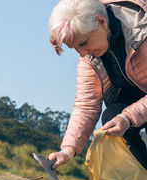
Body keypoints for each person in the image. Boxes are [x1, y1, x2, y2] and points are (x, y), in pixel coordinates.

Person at [48, 0, 147, 170]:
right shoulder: (89, 57)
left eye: (83, 43)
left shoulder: (142, 31)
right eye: (75, 48)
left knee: (122, 117)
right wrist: (67, 150)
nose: (82, 53)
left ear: (102, 22)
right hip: (136, 97)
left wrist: (128, 117)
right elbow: (86, 105)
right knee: (112, 117)